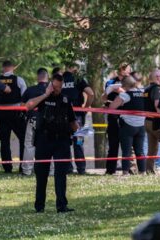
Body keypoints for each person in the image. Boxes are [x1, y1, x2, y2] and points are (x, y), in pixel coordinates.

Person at [26, 74, 79, 213]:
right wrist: (45, 95)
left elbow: (72, 121)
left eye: (59, 87)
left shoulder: (65, 99)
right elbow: (28, 106)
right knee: (41, 174)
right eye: (55, 87)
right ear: (50, 84)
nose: (57, 90)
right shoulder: (42, 96)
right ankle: (39, 206)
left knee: (61, 174)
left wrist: (79, 131)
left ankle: (62, 206)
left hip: (62, 140)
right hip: (44, 140)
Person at [61, 63, 94, 174]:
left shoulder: (60, 79)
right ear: (74, 68)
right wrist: (86, 107)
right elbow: (91, 93)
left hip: (63, 115)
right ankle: (81, 169)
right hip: (78, 115)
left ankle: (68, 168)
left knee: (65, 142)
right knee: (79, 142)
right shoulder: (78, 79)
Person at [109, 76, 146, 175]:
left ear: (124, 85)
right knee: (140, 151)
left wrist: (118, 95)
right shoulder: (143, 93)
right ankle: (143, 172)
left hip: (128, 125)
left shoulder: (125, 95)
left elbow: (112, 107)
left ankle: (125, 172)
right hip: (141, 125)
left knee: (126, 151)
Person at [0, 60, 27, 173]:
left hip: (1, 112)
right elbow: (25, 96)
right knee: (23, 139)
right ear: (13, 68)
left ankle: (7, 167)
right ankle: (23, 166)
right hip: (16, 112)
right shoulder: (19, 80)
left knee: (4, 141)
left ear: (3, 68)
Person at [20, 68, 50, 176]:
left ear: (38, 77)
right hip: (49, 122)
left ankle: (27, 170)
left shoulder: (30, 90)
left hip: (33, 120)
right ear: (48, 77)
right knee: (49, 145)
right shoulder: (53, 90)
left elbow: (22, 106)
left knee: (29, 145)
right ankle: (50, 170)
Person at [103, 62, 131, 174]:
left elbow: (133, 95)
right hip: (113, 117)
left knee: (128, 146)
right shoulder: (110, 82)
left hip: (127, 118)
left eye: (127, 71)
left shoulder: (131, 83)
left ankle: (129, 169)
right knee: (113, 145)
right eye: (123, 70)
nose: (125, 73)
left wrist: (121, 91)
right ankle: (110, 170)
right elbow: (104, 97)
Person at [144, 69, 160, 174]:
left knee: (152, 149)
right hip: (155, 122)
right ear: (157, 77)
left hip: (147, 121)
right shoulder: (157, 89)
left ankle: (149, 170)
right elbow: (157, 105)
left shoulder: (146, 89)